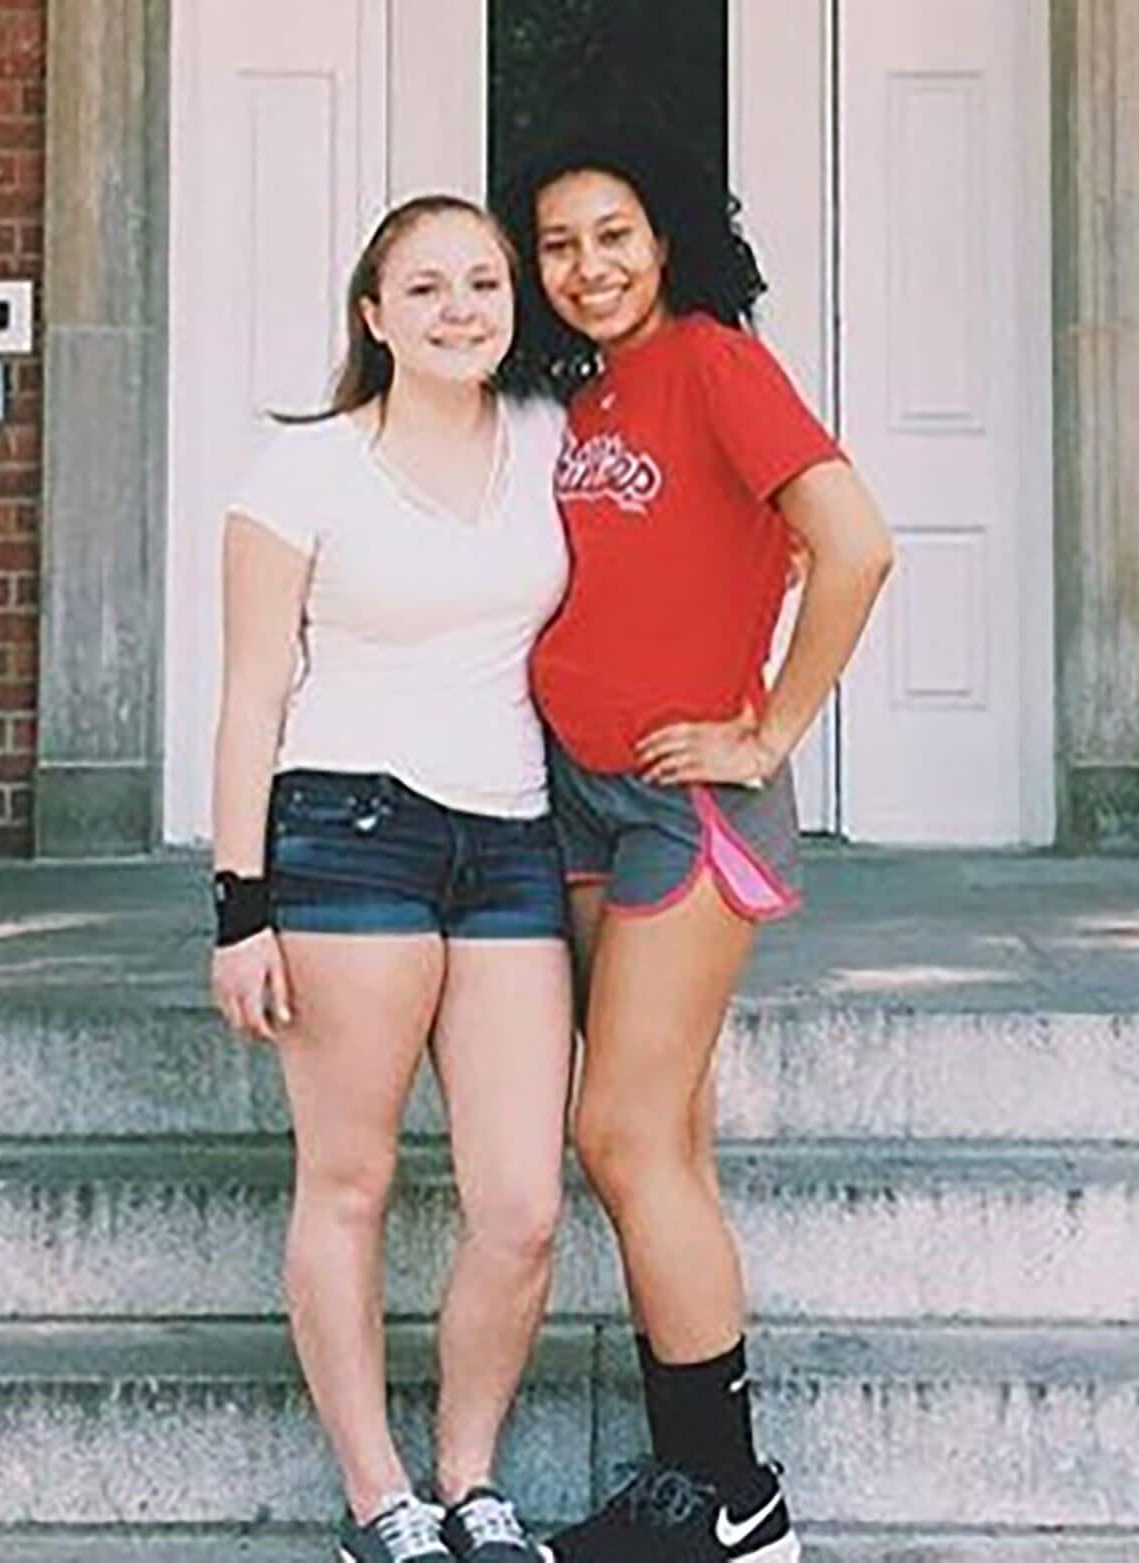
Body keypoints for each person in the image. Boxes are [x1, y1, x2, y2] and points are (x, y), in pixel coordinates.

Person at [499, 131, 896, 1563]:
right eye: (556, 244)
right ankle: (704, 1490)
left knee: (613, 1130)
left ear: (664, 241)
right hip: (583, 798)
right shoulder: (584, 394)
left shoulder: (717, 361)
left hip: (683, 805)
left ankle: (731, 1494)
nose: (587, 267)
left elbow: (852, 541)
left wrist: (769, 731)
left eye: (612, 234)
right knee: (663, 1134)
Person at [208, 194, 577, 1563]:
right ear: (373, 316)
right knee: (350, 1178)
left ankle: (471, 1480)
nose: (459, 309)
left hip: (511, 839)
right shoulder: (299, 467)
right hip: (344, 833)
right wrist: (237, 907)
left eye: (481, 282)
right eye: (423, 288)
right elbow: (250, 697)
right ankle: (381, 1499)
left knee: (520, 1205)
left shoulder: (547, 439)